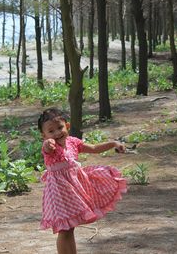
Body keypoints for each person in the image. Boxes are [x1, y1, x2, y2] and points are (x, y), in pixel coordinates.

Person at [37, 107, 127, 254]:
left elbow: (94, 148)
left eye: (60, 127)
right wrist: (48, 144)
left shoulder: (73, 142)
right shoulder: (49, 148)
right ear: (44, 135)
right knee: (64, 229)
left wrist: (113, 143)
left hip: (73, 191)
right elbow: (47, 149)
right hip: (59, 194)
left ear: (67, 126)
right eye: (51, 131)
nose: (57, 133)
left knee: (69, 228)